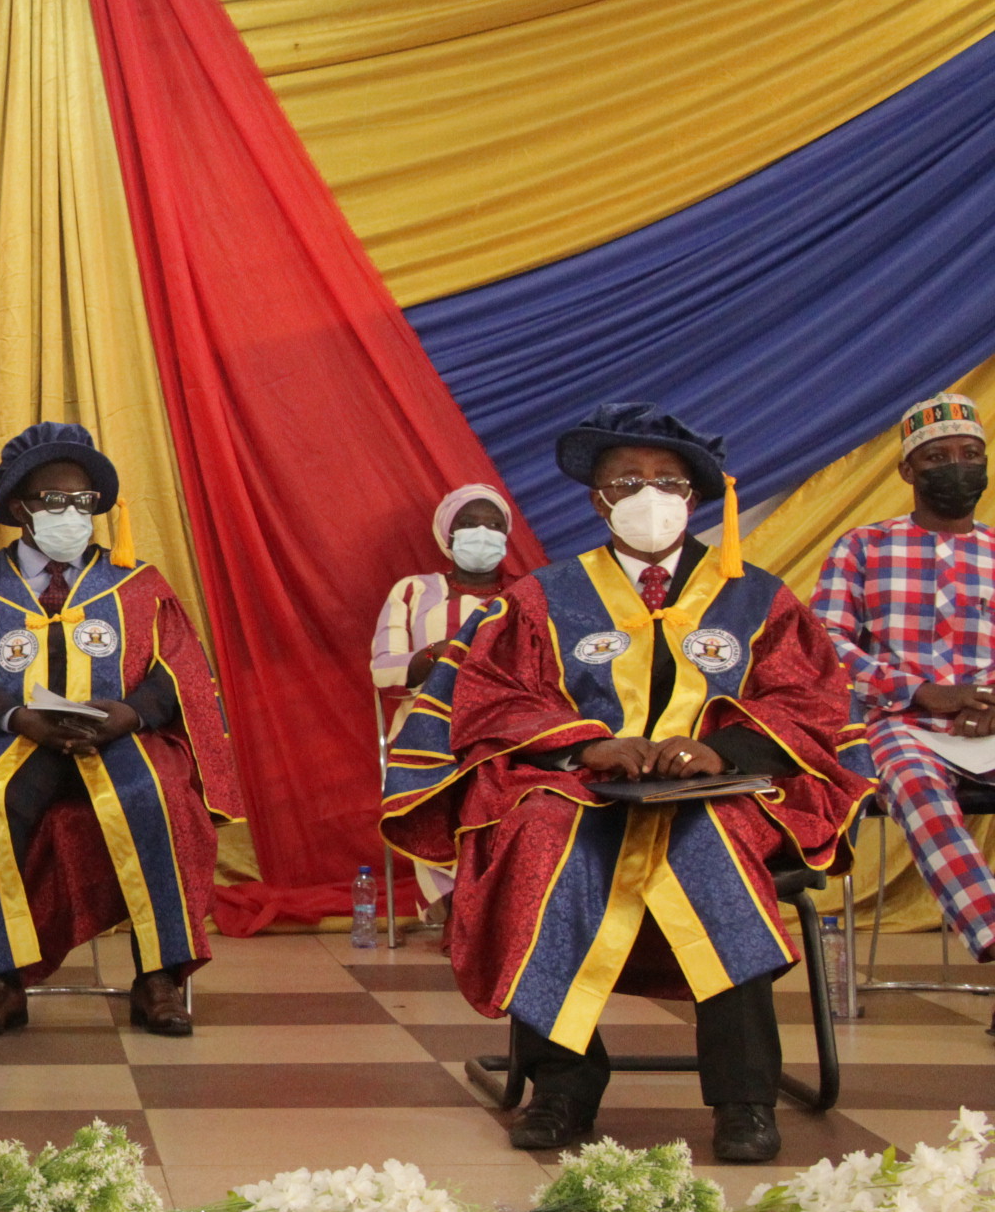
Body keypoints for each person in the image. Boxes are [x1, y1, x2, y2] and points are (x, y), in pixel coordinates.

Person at [383, 403, 870, 1163]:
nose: (650, 495)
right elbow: (497, 696)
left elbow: (809, 698)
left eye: (668, 481)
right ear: (597, 499)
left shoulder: (756, 597)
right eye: (628, 481)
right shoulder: (549, 595)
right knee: (539, 836)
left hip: (718, 793)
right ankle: (563, 1086)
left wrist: (726, 751)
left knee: (714, 845)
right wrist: (588, 745)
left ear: (696, 497)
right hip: (585, 789)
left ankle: (744, 1098)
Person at [0, 422, 242, 1040]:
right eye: (55, 501)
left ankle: (159, 976)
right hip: (11, 736)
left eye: (83, 503)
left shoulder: (138, 586)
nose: (72, 514)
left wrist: (130, 714)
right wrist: (15, 715)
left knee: (156, 793)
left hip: (121, 734)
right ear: (21, 508)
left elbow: (178, 669)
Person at [812, 391, 995, 1023]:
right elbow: (824, 645)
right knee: (914, 780)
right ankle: (991, 926)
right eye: (939, 455)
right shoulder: (862, 546)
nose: (958, 466)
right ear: (908, 471)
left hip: (990, 722)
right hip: (902, 723)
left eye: (971, 454)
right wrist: (919, 691)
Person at [370, 484, 515, 915]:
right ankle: (456, 904)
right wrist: (440, 655)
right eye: (469, 524)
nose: (482, 533)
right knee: (438, 778)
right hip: (427, 726)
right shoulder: (412, 592)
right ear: (447, 536)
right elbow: (384, 671)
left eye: (493, 525)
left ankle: (502, 898)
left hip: (508, 724)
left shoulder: (531, 592)